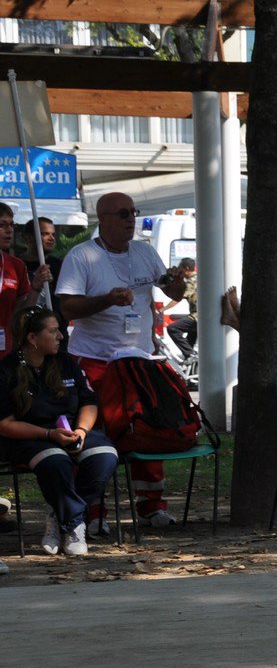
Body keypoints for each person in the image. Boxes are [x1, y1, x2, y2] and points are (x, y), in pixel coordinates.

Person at [57, 192, 188, 530]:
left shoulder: (144, 250)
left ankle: (151, 507)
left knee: (148, 428)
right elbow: (67, 308)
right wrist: (106, 301)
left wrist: (177, 284)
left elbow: (172, 292)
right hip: (94, 361)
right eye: (122, 214)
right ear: (103, 218)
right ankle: (92, 512)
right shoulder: (82, 255)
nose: (130, 219)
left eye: (133, 212)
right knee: (95, 436)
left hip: (138, 361)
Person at [0, 307, 118, 557]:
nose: (61, 336)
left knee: (105, 455)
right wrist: (48, 435)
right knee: (56, 461)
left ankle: (59, 514)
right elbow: (5, 424)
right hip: (31, 436)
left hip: (73, 430)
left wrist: (82, 431)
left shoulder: (66, 362)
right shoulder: (6, 370)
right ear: (33, 338)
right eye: (53, 331)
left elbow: (89, 402)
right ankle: (75, 524)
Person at [0, 203, 49, 356]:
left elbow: (20, 314)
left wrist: (35, 288)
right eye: (2, 225)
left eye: (12, 225)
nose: (10, 230)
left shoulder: (16, 265)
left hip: (5, 351)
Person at [14, 217, 63, 288]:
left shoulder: (59, 265)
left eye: (53, 234)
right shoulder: (14, 265)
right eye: (45, 234)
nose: (51, 238)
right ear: (29, 237)